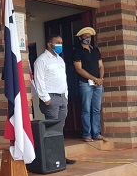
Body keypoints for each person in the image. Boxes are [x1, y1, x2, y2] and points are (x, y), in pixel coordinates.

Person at [33, 34, 75, 165]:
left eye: (61, 42)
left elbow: (64, 79)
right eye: (57, 43)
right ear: (49, 44)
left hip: (62, 98)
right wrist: (46, 98)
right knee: (52, 129)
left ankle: (60, 155)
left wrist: (66, 95)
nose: (60, 45)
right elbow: (38, 80)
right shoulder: (41, 60)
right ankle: (51, 158)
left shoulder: (60, 60)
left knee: (59, 129)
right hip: (51, 98)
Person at [72, 26, 104, 142]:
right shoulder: (77, 51)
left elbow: (101, 66)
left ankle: (96, 133)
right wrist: (94, 78)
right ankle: (87, 134)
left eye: (89, 37)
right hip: (85, 83)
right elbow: (79, 69)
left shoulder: (95, 50)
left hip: (98, 83)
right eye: (85, 37)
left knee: (96, 109)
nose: (88, 39)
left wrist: (100, 79)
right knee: (86, 109)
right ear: (80, 38)